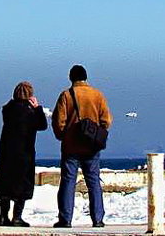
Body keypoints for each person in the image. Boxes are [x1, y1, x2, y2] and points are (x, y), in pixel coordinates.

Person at [51, 65, 112, 228]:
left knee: (68, 182)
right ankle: (98, 219)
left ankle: (66, 219)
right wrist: (96, 133)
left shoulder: (66, 95)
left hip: (71, 146)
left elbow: (58, 121)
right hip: (92, 147)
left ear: (71, 78)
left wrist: (63, 136)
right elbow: (107, 120)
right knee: (93, 182)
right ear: (86, 77)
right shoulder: (97, 95)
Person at [0, 81, 48, 227]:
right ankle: (17, 217)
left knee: (5, 185)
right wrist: (37, 108)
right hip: (24, 153)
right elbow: (42, 125)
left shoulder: (7, 110)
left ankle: (3, 216)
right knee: (21, 185)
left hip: (7, 152)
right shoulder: (29, 112)